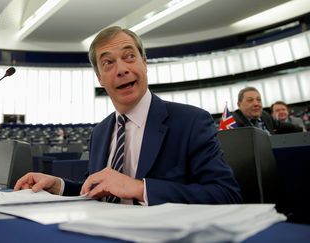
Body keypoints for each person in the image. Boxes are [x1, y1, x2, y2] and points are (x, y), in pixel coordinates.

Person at [14, 26, 242, 205]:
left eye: (129, 57)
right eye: (108, 63)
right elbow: (97, 189)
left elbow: (226, 194)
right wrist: (58, 185)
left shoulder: (191, 122)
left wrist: (140, 189)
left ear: (144, 63)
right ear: (100, 78)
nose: (121, 69)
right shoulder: (100, 132)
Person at [232, 87, 303, 134]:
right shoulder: (232, 123)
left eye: (258, 100)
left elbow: (280, 125)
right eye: (250, 100)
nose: (256, 103)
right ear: (239, 104)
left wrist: (301, 129)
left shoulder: (265, 115)